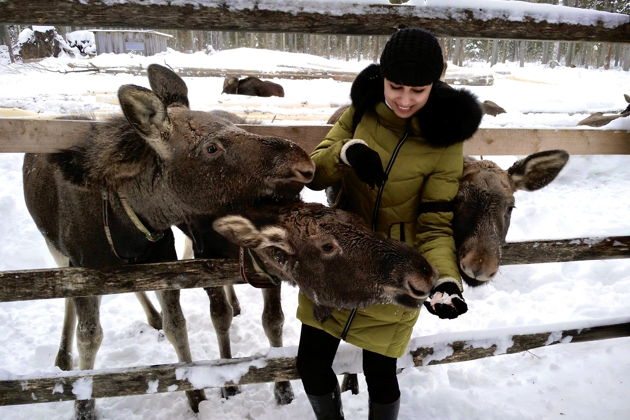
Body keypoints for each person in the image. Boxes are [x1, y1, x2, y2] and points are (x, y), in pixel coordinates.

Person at [295, 28, 483, 419]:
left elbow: (434, 222)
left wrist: (444, 281)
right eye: (396, 86)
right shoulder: (361, 109)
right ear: (382, 77)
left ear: (436, 83)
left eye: (418, 90)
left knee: (379, 373)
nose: (404, 100)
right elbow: (316, 174)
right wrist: (348, 153)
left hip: (394, 271)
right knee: (311, 364)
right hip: (336, 260)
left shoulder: (446, 141)